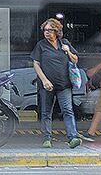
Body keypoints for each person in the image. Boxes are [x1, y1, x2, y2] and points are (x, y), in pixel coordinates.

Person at [32, 18, 82, 149]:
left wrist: (68, 51)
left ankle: (73, 137)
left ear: (57, 31)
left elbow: (75, 60)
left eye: (50, 30)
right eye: (45, 30)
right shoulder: (41, 45)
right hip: (47, 85)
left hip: (64, 84)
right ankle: (47, 138)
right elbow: (36, 64)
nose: (47, 32)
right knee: (46, 112)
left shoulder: (64, 43)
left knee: (68, 110)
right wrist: (44, 80)